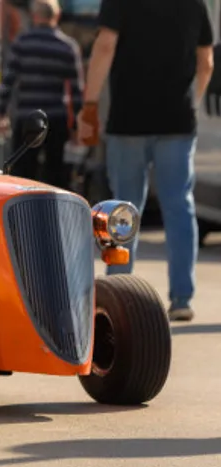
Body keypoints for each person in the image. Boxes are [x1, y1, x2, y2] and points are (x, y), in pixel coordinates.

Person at [78, 0, 215, 322]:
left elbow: (105, 45)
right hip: (178, 121)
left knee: (123, 209)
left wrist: (90, 106)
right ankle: (181, 299)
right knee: (179, 207)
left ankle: (119, 293)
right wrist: (192, 102)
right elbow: (206, 61)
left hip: (128, 121)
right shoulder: (196, 3)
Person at [0, 0, 84, 190]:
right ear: (57, 16)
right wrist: (76, 126)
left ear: (34, 16)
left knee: (23, 175)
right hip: (56, 120)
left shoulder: (22, 43)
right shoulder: (68, 47)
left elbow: (8, 81)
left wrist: (0, 112)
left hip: (27, 118)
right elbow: (76, 92)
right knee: (56, 174)